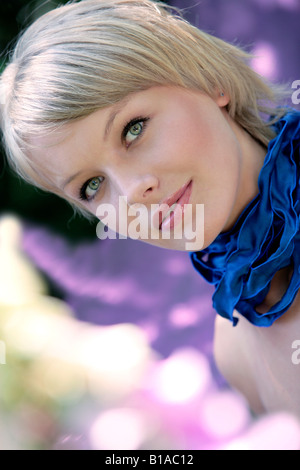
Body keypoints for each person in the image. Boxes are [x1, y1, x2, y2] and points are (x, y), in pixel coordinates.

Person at [0, 0, 299, 417]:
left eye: (133, 129)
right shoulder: (236, 351)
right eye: (91, 186)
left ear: (209, 80)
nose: (133, 192)